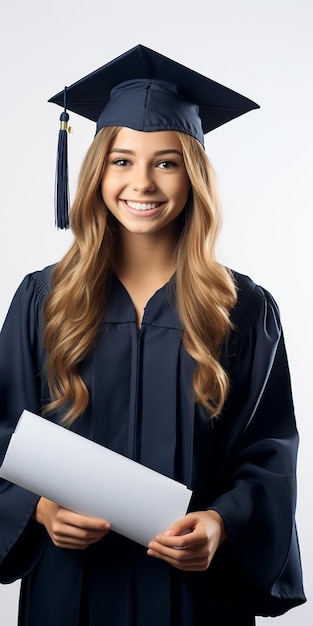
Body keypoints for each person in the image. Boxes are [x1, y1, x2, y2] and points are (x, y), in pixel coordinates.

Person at [0, 44, 306, 626]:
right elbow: (3, 432)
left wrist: (221, 523)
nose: (142, 181)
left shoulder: (242, 307)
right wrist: (37, 510)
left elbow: (268, 452)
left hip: (194, 595)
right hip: (72, 592)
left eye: (166, 161)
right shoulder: (44, 299)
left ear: (193, 174)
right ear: (96, 171)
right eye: (121, 160)